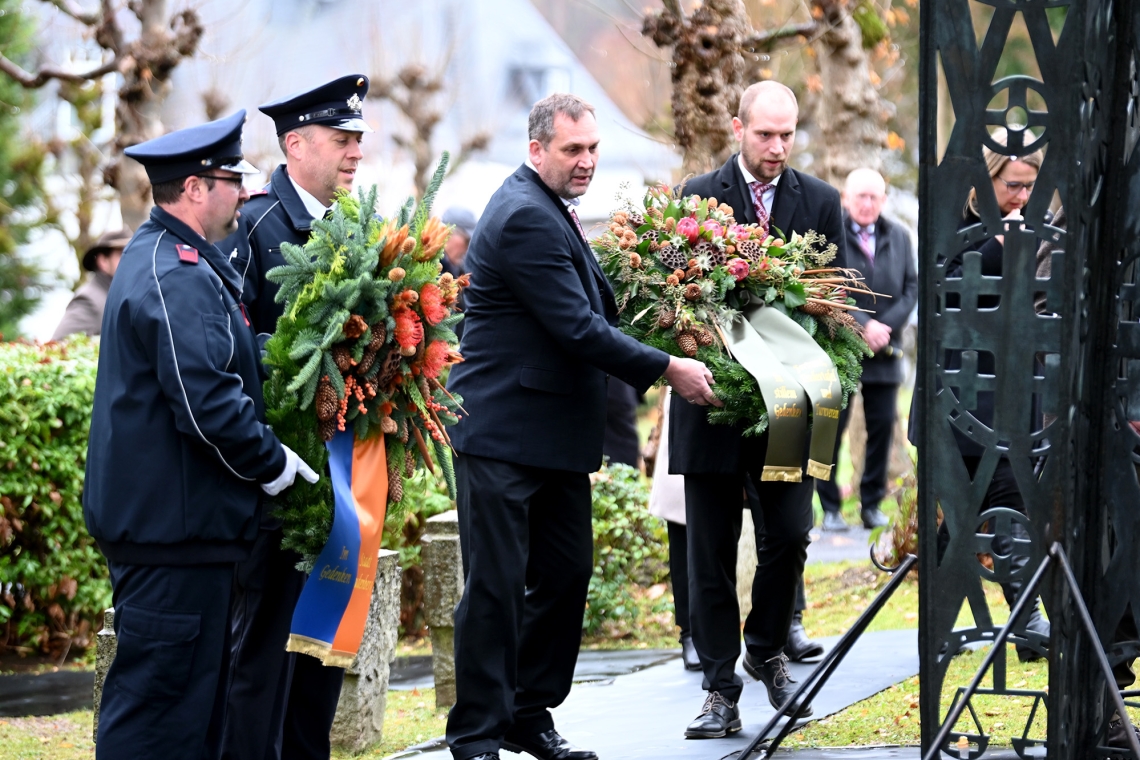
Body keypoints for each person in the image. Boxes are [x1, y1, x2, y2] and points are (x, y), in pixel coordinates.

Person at [444, 93, 719, 760]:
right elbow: (577, 328)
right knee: (496, 589)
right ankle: (476, 733)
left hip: (551, 437)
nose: (587, 160)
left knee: (566, 576)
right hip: (503, 435)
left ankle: (525, 711)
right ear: (536, 149)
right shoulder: (523, 217)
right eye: (573, 150)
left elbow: (594, 308)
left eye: (593, 148)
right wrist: (667, 367)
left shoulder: (548, 209)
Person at [83, 110, 319, 760]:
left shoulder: (172, 259)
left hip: (184, 534)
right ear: (194, 188)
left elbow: (222, 360)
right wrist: (273, 464)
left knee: (194, 718)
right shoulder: (175, 272)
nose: (242, 192)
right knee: (158, 718)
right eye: (229, 178)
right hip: (171, 538)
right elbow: (207, 400)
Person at [671, 80, 847, 739]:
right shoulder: (696, 197)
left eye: (788, 134)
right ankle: (721, 690)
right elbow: (676, 298)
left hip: (788, 416)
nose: (777, 147)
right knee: (710, 553)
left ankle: (767, 647)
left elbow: (835, 310)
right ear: (738, 128)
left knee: (790, 536)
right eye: (765, 133)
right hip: (712, 408)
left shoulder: (820, 202)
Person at [217, 75, 370, 760]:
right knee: (265, 653)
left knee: (323, 647)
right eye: (343, 139)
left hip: (341, 477)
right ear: (296, 143)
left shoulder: (351, 226)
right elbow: (229, 343)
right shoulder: (252, 226)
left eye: (359, 140)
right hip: (278, 481)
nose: (356, 153)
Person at [815, 169, 917, 532]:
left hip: (885, 352)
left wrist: (884, 328)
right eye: (860, 196)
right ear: (846, 198)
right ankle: (829, 508)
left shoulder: (900, 236)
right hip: (840, 347)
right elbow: (827, 285)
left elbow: (911, 288)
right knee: (830, 429)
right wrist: (864, 325)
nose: (867, 203)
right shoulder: (831, 234)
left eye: (874, 197)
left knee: (881, 432)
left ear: (884, 201)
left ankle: (871, 504)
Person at [51, 229, 132, 341]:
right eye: (123, 254)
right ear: (103, 261)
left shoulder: (119, 297)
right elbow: (56, 348)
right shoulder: (90, 300)